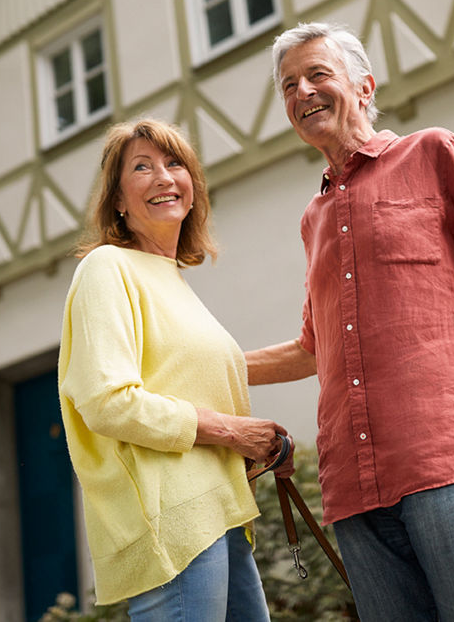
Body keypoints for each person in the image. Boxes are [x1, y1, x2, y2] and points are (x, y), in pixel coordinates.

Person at [245, 22, 454, 622]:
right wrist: (195, 366)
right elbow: (311, 349)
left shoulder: (435, 153)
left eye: (318, 75)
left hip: (446, 463)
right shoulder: (313, 218)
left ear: (365, 86)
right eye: (288, 85)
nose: (302, 92)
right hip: (352, 487)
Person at [58, 118, 291, 621]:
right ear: (118, 200)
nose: (163, 177)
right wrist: (232, 432)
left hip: (222, 514)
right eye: (142, 167)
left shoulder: (173, 281)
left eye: (174, 163)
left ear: (193, 185)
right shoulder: (106, 268)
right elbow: (107, 401)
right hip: (173, 523)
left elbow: (199, 379)